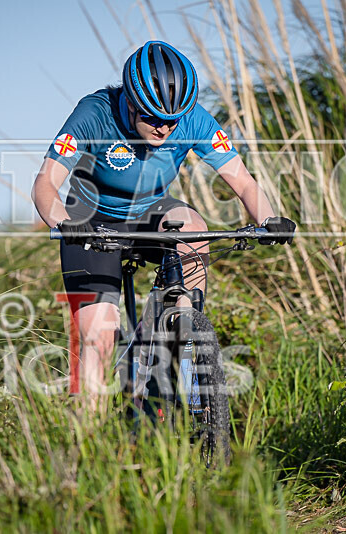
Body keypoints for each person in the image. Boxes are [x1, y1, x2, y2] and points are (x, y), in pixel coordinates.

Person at [32, 41, 295, 409]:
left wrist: (267, 220)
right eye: (153, 119)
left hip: (149, 211)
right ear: (130, 103)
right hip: (90, 221)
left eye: (172, 121)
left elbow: (245, 182)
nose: (164, 129)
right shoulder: (94, 112)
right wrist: (63, 223)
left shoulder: (191, 119)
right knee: (98, 340)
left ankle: (184, 331)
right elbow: (45, 184)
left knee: (192, 225)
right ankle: (85, 442)